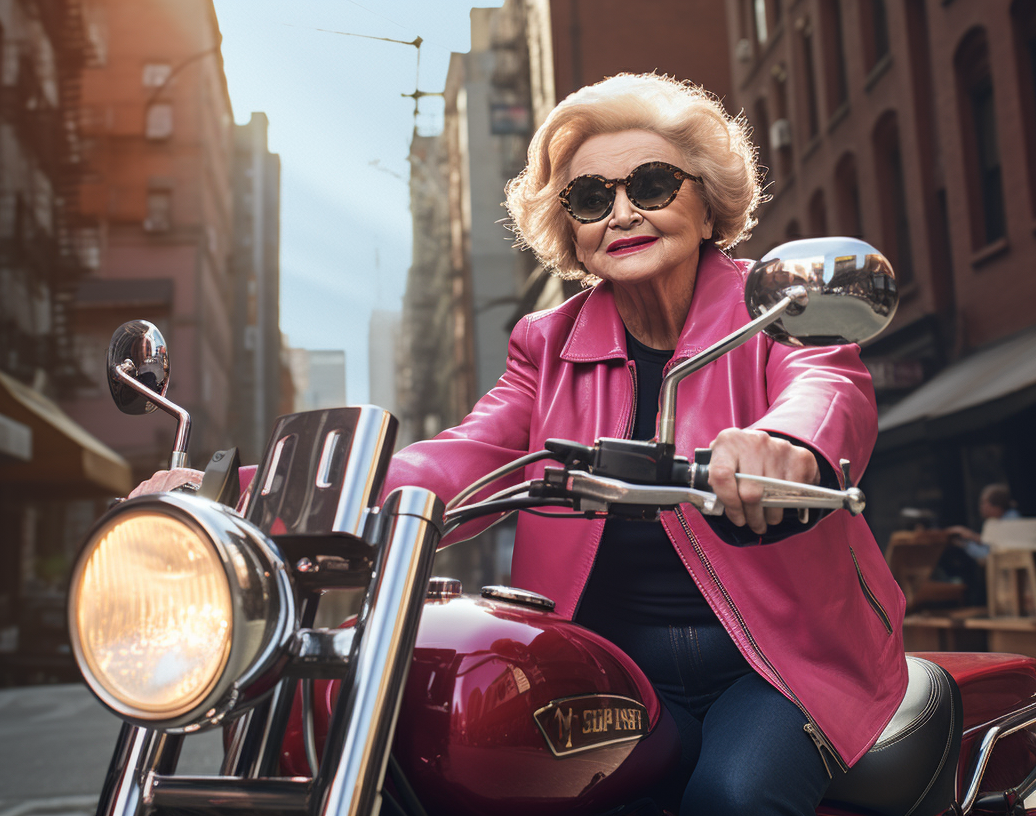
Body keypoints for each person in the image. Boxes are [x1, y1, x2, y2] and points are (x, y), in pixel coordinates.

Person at [133, 73, 906, 815]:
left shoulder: (767, 312)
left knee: (731, 798)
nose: (623, 213)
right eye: (592, 197)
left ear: (708, 206)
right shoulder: (549, 342)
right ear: (570, 229)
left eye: (653, 185)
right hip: (611, 665)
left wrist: (780, 446)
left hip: (776, 664)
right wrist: (238, 491)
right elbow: (458, 458)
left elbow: (827, 389)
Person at [946, 483, 1020, 561]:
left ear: (995, 506)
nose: (981, 507)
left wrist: (971, 536)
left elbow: (990, 554)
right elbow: (986, 551)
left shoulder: (1012, 518)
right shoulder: (994, 522)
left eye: (983, 503)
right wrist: (964, 543)